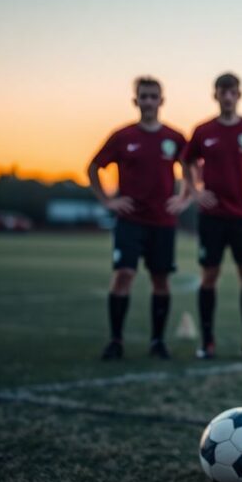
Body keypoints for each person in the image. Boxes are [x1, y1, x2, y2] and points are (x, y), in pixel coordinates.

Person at [88, 76, 189, 360]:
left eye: (152, 96)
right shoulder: (123, 137)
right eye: (143, 96)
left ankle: (157, 342)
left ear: (161, 100)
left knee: (161, 280)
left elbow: (194, 170)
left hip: (163, 222)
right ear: (136, 101)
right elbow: (94, 167)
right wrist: (108, 200)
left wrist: (184, 199)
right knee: (123, 275)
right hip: (129, 221)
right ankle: (116, 340)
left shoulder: (175, 138)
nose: (148, 101)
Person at [182, 73, 242, 360]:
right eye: (222, 92)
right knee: (209, 276)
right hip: (211, 217)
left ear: (239, 94)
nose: (227, 96)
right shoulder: (202, 131)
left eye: (232, 91)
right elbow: (186, 162)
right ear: (215, 95)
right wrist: (196, 193)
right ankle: (207, 342)